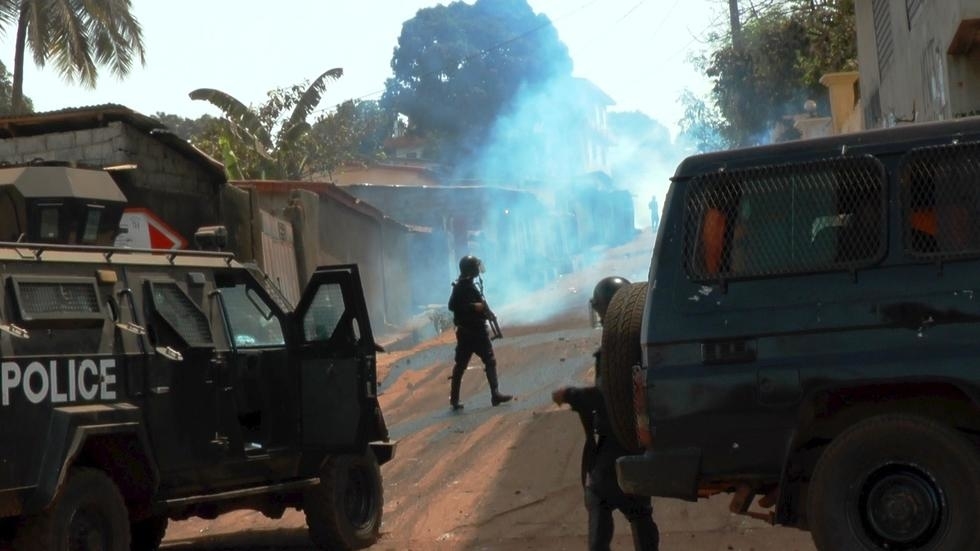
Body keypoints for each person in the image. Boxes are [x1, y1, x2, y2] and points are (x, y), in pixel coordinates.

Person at [552, 276, 659, 551]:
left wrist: (570, 395)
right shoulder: (643, 344)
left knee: (599, 497)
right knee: (639, 509)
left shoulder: (614, 351)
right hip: (640, 440)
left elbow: (604, 396)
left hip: (615, 440)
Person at [447, 255, 512, 411]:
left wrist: (487, 313)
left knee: (489, 360)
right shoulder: (460, 287)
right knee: (461, 365)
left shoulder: (470, 285)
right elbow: (452, 306)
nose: (478, 270)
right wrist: (473, 307)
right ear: (471, 269)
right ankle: (455, 399)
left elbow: (481, 305)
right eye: (475, 267)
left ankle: (495, 394)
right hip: (468, 333)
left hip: (478, 331)